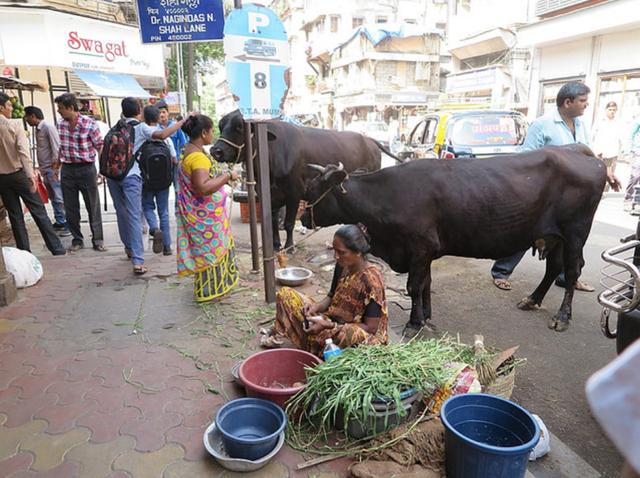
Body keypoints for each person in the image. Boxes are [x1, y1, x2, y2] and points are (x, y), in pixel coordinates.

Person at [490, 81, 621, 293]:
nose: (586, 105)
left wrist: (606, 172)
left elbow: (588, 155)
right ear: (567, 102)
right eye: (582, 101)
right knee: (527, 232)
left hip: (572, 194)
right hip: (543, 194)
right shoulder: (542, 125)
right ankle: (501, 271)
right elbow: (526, 157)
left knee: (573, 235)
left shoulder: (581, 125)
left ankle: (567, 276)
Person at [265, 224, 389, 357]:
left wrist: (329, 326)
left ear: (358, 252)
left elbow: (371, 328)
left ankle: (317, 346)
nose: (336, 256)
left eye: (341, 252)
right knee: (286, 295)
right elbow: (331, 296)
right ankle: (316, 345)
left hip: (354, 332)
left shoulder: (372, 280)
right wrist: (315, 307)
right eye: (334, 251)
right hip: (331, 321)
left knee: (351, 334)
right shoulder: (342, 265)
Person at [108, 98, 184, 275]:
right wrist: (182, 121)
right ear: (138, 111)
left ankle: (129, 248)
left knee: (122, 212)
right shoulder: (141, 127)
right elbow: (163, 135)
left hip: (112, 176)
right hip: (132, 176)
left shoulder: (116, 127)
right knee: (135, 216)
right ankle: (138, 261)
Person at [176, 114, 239, 301]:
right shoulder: (198, 158)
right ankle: (210, 292)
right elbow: (202, 188)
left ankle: (211, 289)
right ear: (204, 133)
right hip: (206, 219)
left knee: (209, 252)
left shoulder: (188, 150)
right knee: (211, 253)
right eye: (212, 131)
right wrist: (227, 176)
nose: (213, 135)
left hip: (204, 215)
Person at [0, 93, 66, 255]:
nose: (11, 108)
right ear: (1, 108)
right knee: (39, 211)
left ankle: (24, 253)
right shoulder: (14, 125)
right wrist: (31, 176)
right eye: (8, 105)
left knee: (15, 216)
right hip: (20, 174)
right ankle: (56, 248)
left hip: (2, 178)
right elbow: (23, 152)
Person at [55, 93, 106, 252]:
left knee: (93, 205)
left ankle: (97, 239)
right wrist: (57, 163)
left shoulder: (90, 124)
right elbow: (61, 146)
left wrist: (102, 170)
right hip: (67, 169)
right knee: (70, 207)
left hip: (87, 168)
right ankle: (77, 239)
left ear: (71, 108)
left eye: (61, 108)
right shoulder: (60, 125)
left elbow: (100, 146)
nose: (59, 111)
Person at [23, 106, 69, 236]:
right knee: (54, 196)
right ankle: (60, 220)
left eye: (27, 117)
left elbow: (56, 147)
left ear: (32, 116)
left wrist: (55, 168)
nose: (26, 120)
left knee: (59, 196)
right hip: (45, 168)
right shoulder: (38, 129)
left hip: (51, 168)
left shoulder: (48, 127)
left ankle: (67, 224)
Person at [140, 104, 177, 256]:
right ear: (158, 119)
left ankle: (154, 229)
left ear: (143, 118)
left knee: (148, 207)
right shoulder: (165, 138)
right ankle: (167, 246)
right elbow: (174, 160)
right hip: (163, 182)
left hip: (146, 181)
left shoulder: (141, 137)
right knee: (164, 212)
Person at [156, 100, 188, 192]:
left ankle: (177, 206)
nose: (161, 115)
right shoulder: (154, 129)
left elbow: (183, 144)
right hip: (161, 163)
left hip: (175, 163)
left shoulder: (176, 126)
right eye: (159, 113)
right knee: (162, 189)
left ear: (168, 113)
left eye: (163, 112)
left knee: (177, 189)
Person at [592, 101, 622, 192]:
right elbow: (592, 135)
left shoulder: (618, 122)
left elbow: (621, 136)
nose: (612, 111)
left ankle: (604, 192)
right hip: (600, 152)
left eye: (614, 110)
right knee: (598, 172)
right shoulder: (600, 121)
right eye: (610, 109)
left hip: (612, 152)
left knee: (610, 173)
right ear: (606, 110)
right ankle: (596, 190)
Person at [624, 117, 640, 211]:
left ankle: (637, 202)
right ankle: (628, 199)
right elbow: (631, 135)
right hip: (638, 151)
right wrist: (627, 152)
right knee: (635, 176)